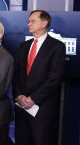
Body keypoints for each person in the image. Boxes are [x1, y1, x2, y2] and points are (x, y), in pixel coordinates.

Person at [13, 10, 65, 145]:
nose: (29, 24)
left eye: (32, 21)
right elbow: (16, 74)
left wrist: (34, 98)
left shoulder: (57, 46)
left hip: (42, 108)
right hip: (22, 107)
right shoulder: (23, 46)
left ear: (44, 23)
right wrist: (19, 95)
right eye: (28, 21)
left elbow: (55, 77)